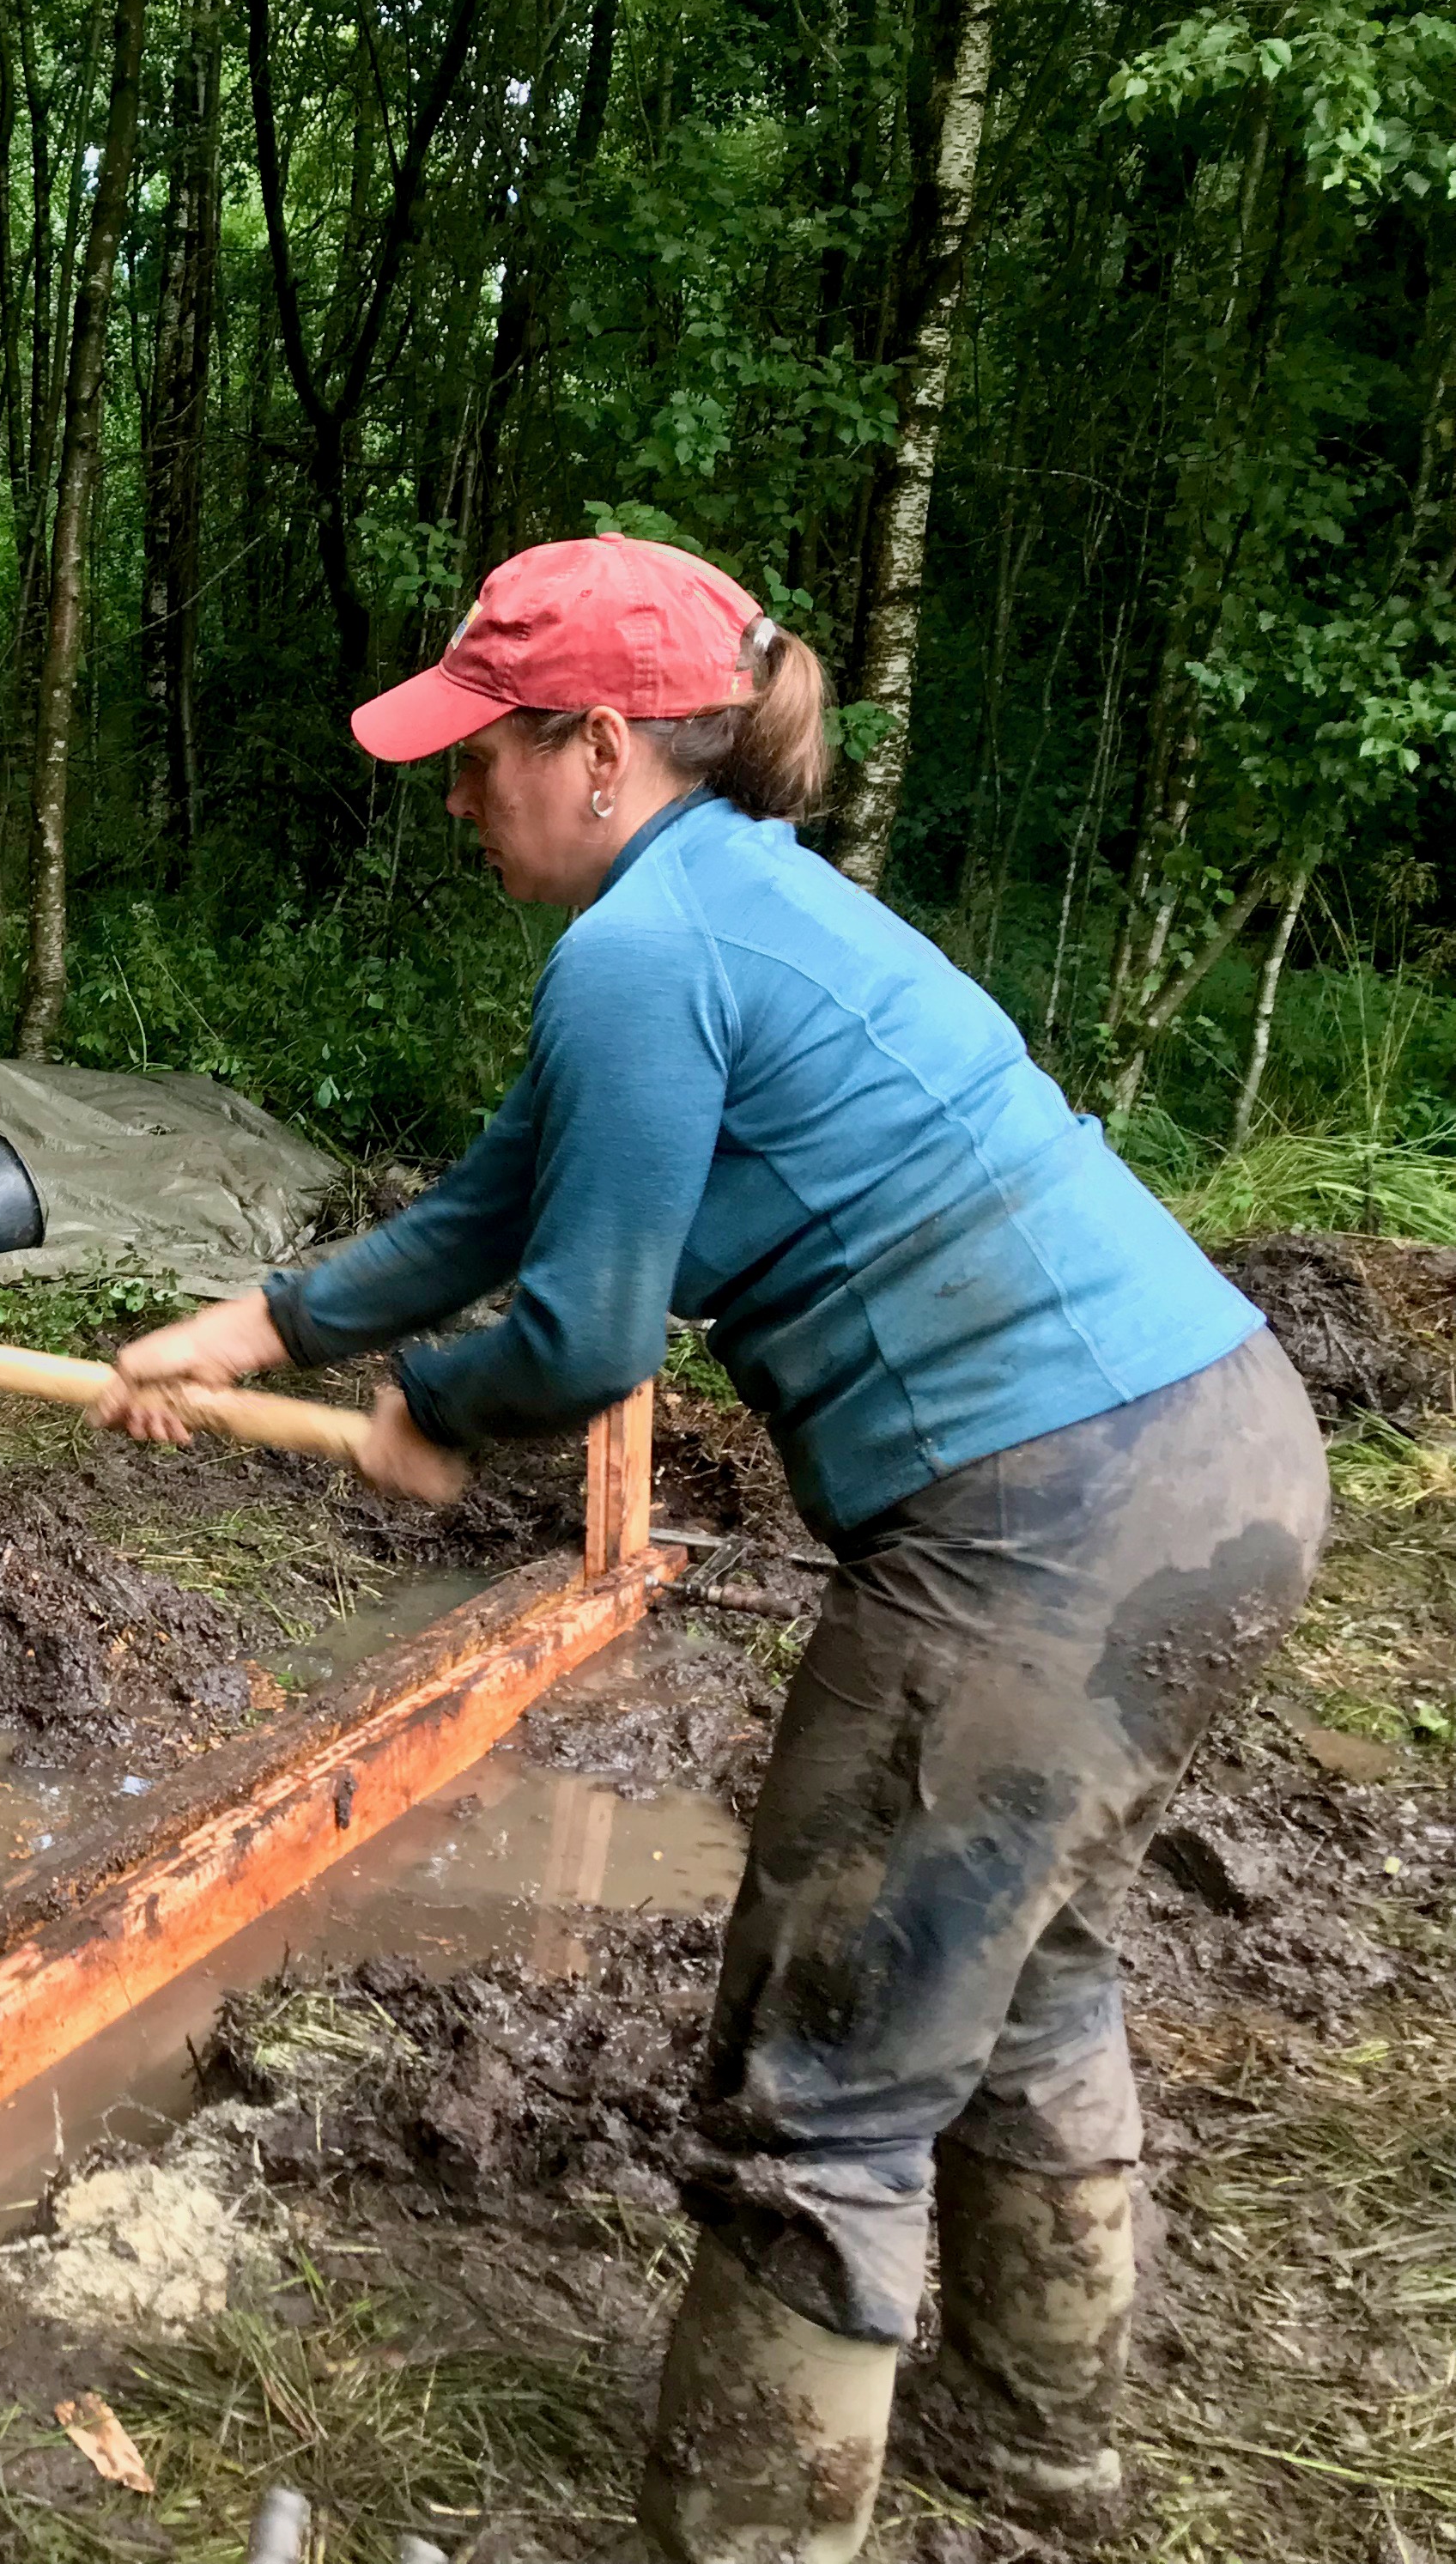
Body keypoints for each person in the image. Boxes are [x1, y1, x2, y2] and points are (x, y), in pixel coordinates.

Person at [94, 534, 1325, 2560]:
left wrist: (434, 1419)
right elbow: (510, 1199)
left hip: (1046, 1519)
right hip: (1226, 1452)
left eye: (480, 756)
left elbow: (580, 1334)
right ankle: (1034, 2441)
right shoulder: (741, 905)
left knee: (831, 2047)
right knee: (1014, 1960)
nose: (458, 795)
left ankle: (748, 2536)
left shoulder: (642, 953)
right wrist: (270, 1324)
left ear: (595, 747)